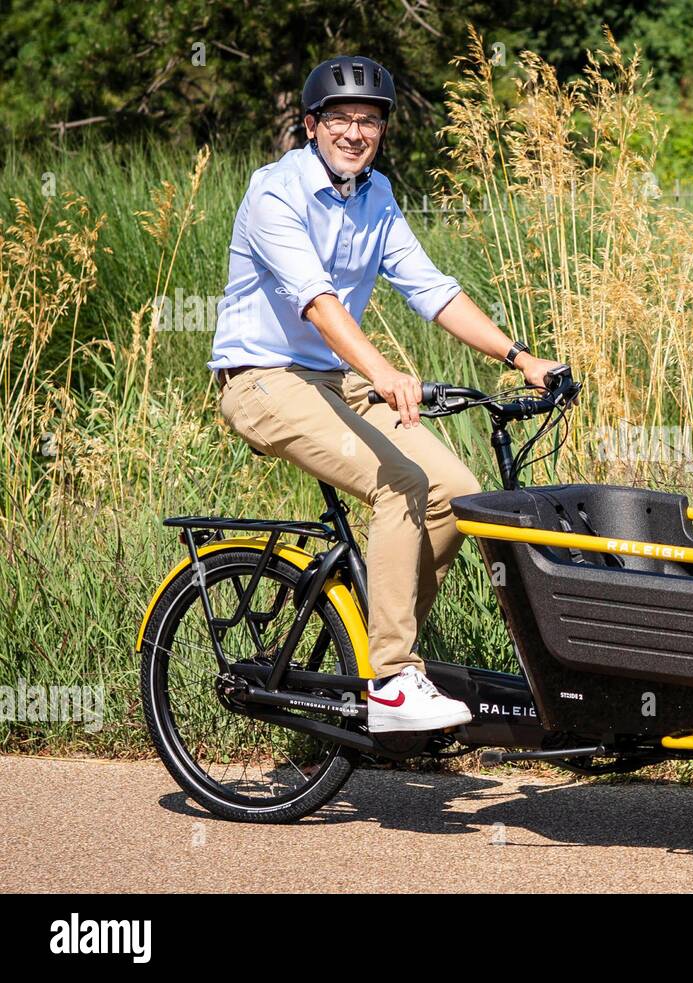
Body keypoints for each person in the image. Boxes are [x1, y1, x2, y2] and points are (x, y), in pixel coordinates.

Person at [208, 55, 565, 733]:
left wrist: (520, 357)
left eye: (368, 121)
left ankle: (379, 658)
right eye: (339, 118)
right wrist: (381, 370)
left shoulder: (376, 194)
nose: (353, 132)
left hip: (335, 379)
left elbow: (430, 288)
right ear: (311, 126)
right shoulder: (274, 191)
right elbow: (316, 302)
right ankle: (393, 677)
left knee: (454, 494)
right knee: (400, 483)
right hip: (261, 378)